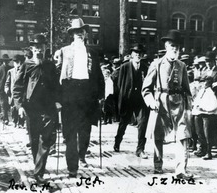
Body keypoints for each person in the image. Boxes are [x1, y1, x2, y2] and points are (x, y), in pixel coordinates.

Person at [142, 30, 193, 178]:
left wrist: (189, 106)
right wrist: (151, 101)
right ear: (166, 46)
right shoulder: (156, 64)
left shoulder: (182, 65)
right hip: (161, 102)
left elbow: (187, 89)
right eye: (171, 45)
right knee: (158, 134)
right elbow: (146, 88)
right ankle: (158, 165)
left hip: (179, 103)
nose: (174, 49)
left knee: (183, 135)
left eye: (177, 46)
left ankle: (181, 170)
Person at [57, 18, 104, 178]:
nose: (79, 34)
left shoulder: (92, 52)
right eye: (76, 32)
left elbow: (98, 75)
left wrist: (100, 96)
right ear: (72, 34)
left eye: (81, 31)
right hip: (69, 93)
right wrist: (57, 97)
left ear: (85, 33)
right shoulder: (63, 51)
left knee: (85, 130)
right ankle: (72, 166)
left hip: (87, 93)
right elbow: (58, 75)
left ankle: (82, 155)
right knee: (69, 131)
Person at [13, 34, 60, 183]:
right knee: (34, 141)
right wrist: (19, 106)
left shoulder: (50, 66)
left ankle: (38, 173)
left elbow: (56, 87)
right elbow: (17, 88)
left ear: (45, 48)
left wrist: (59, 101)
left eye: (41, 47)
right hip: (31, 108)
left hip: (48, 108)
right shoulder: (26, 66)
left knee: (46, 140)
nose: (39, 50)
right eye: (36, 48)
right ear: (32, 49)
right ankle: (38, 166)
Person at [113, 43, 149, 158]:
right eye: (135, 53)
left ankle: (140, 149)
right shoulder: (125, 67)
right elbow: (118, 82)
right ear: (131, 55)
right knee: (123, 123)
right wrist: (122, 96)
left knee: (143, 123)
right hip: (127, 100)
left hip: (141, 101)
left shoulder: (145, 68)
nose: (138, 55)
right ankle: (117, 142)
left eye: (140, 54)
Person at [192, 76, 217, 160]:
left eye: (206, 82)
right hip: (198, 114)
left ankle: (208, 152)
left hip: (207, 115)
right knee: (200, 133)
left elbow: (214, 106)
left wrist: (204, 108)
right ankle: (202, 150)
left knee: (207, 134)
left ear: (210, 83)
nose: (204, 84)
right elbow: (196, 101)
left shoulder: (210, 93)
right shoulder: (201, 91)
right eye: (203, 82)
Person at [5, 54, 26, 128]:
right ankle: (14, 121)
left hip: (21, 93)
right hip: (12, 93)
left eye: (19, 62)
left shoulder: (24, 71)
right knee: (13, 108)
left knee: (21, 107)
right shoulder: (10, 71)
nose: (18, 64)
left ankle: (21, 123)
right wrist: (6, 89)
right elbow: (7, 83)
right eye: (16, 62)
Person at [0, 54, 12, 125]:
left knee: (8, 104)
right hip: (1, 89)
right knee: (3, 104)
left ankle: (4, 116)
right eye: (5, 61)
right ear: (3, 61)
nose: (6, 62)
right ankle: (5, 119)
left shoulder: (11, 68)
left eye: (7, 61)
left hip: (9, 88)